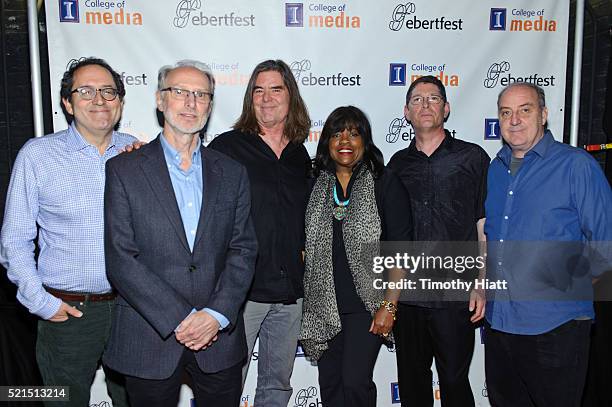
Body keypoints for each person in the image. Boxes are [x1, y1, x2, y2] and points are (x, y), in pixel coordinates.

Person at [102, 60, 257, 407]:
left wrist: (215, 315)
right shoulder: (124, 169)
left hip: (219, 338)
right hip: (149, 338)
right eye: (180, 92)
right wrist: (183, 318)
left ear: (210, 105)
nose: (190, 103)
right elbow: (120, 257)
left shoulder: (231, 173)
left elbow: (243, 250)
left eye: (201, 95)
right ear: (160, 100)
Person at [0, 57, 134, 407]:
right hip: (70, 313)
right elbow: (14, 240)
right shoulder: (38, 156)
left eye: (108, 91)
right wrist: (41, 302)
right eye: (86, 91)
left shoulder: (137, 152)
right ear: (67, 102)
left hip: (132, 311)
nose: (99, 100)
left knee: (137, 401)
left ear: (120, 100)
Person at [483, 82, 612, 407]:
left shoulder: (576, 166)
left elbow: (605, 243)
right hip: (500, 324)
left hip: (556, 327)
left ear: (543, 114)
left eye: (524, 110)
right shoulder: (494, 170)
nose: (514, 120)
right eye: (506, 112)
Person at [208, 59, 310, 406]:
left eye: (275, 89)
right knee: (226, 385)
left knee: (277, 385)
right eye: (258, 90)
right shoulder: (227, 148)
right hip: (242, 293)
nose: (266, 98)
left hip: (290, 293)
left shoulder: (300, 155)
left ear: (290, 96)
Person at [300, 105, 413, 406]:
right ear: (327, 142)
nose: (345, 141)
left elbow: (401, 252)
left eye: (353, 134)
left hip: (368, 305)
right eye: (337, 134)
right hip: (324, 304)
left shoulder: (384, 182)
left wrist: (389, 305)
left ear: (365, 140)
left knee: (355, 382)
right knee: (331, 386)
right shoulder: (314, 184)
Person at [387, 75, 489, 407]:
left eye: (433, 98)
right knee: (413, 387)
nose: (425, 105)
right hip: (409, 297)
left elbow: (483, 223)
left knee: (455, 385)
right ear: (406, 112)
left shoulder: (473, 158)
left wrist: (482, 281)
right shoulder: (396, 165)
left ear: (446, 109)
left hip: (456, 296)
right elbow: (390, 232)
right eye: (417, 99)